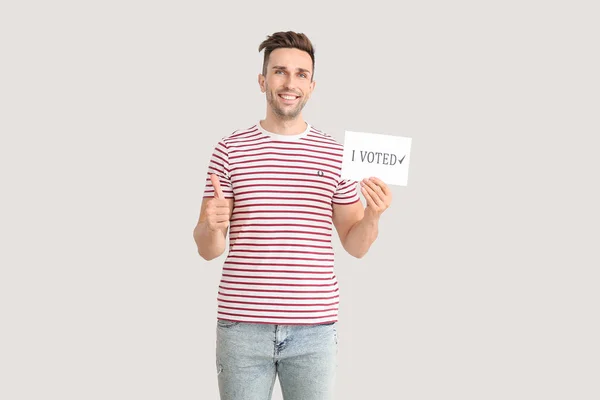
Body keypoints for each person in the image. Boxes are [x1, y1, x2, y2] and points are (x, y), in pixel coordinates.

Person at [193, 31, 392, 400]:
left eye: (301, 74)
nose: (290, 82)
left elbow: (356, 245)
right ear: (262, 80)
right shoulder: (229, 150)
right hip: (241, 328)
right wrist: (211, 224)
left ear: (312, 86)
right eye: (280, 71)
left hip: (314, 331)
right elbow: (208, 249)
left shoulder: (335, 154)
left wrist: (373, 217)